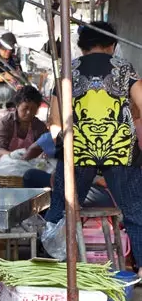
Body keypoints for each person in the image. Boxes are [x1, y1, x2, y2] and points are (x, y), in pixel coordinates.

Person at [46, 21, 142, 273]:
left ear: (81, 45)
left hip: (78, 150)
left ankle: (55, 267)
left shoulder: (67, 71)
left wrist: (64, 152)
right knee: (135, 210)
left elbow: (55, 121)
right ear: (112, 44)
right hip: (120, 149)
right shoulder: (125, 68)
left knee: (60, 207)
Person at [0, 85, 46, 187]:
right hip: (4, 164)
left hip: (28, 164)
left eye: (33, 109)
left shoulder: (39, 126)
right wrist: (12, 157)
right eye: (25, 108)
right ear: (17, 106)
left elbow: (44, 148)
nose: (29, 112)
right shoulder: (5, 123)